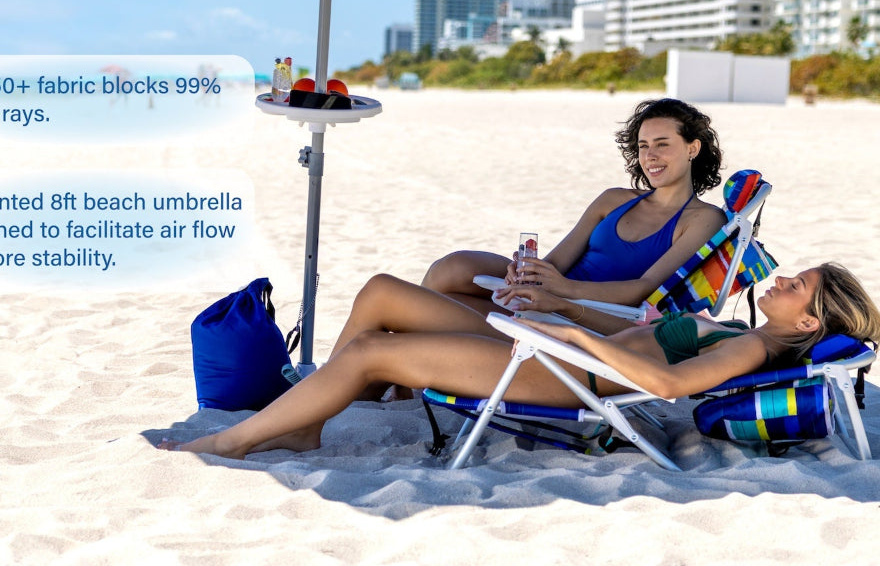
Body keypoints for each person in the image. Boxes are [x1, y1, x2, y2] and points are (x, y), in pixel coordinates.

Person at [159, 263, 880, 459]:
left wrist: (571, 339)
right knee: (384, 293)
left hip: (563, 378)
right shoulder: (735, 331)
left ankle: (231, 440)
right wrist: (559, 309)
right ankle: (308, 420)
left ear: (809, 321)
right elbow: (641, 342)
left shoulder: (753, 343)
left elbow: (661, 382)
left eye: (797, 286)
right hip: (555, 351)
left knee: (376, 352)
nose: (782, 280)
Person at [421, 98, 728, 328]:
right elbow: (556, 262)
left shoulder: (703, 219)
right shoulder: (613, 199)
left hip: (582, 315)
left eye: (663, 144)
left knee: (422, 306)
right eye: (643, 145)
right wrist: (530, 273)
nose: (650, 156)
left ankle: (398, 373)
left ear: (693, 148)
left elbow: (644, 289)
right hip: (547, 294)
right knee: (451, 268)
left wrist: (562, 290)